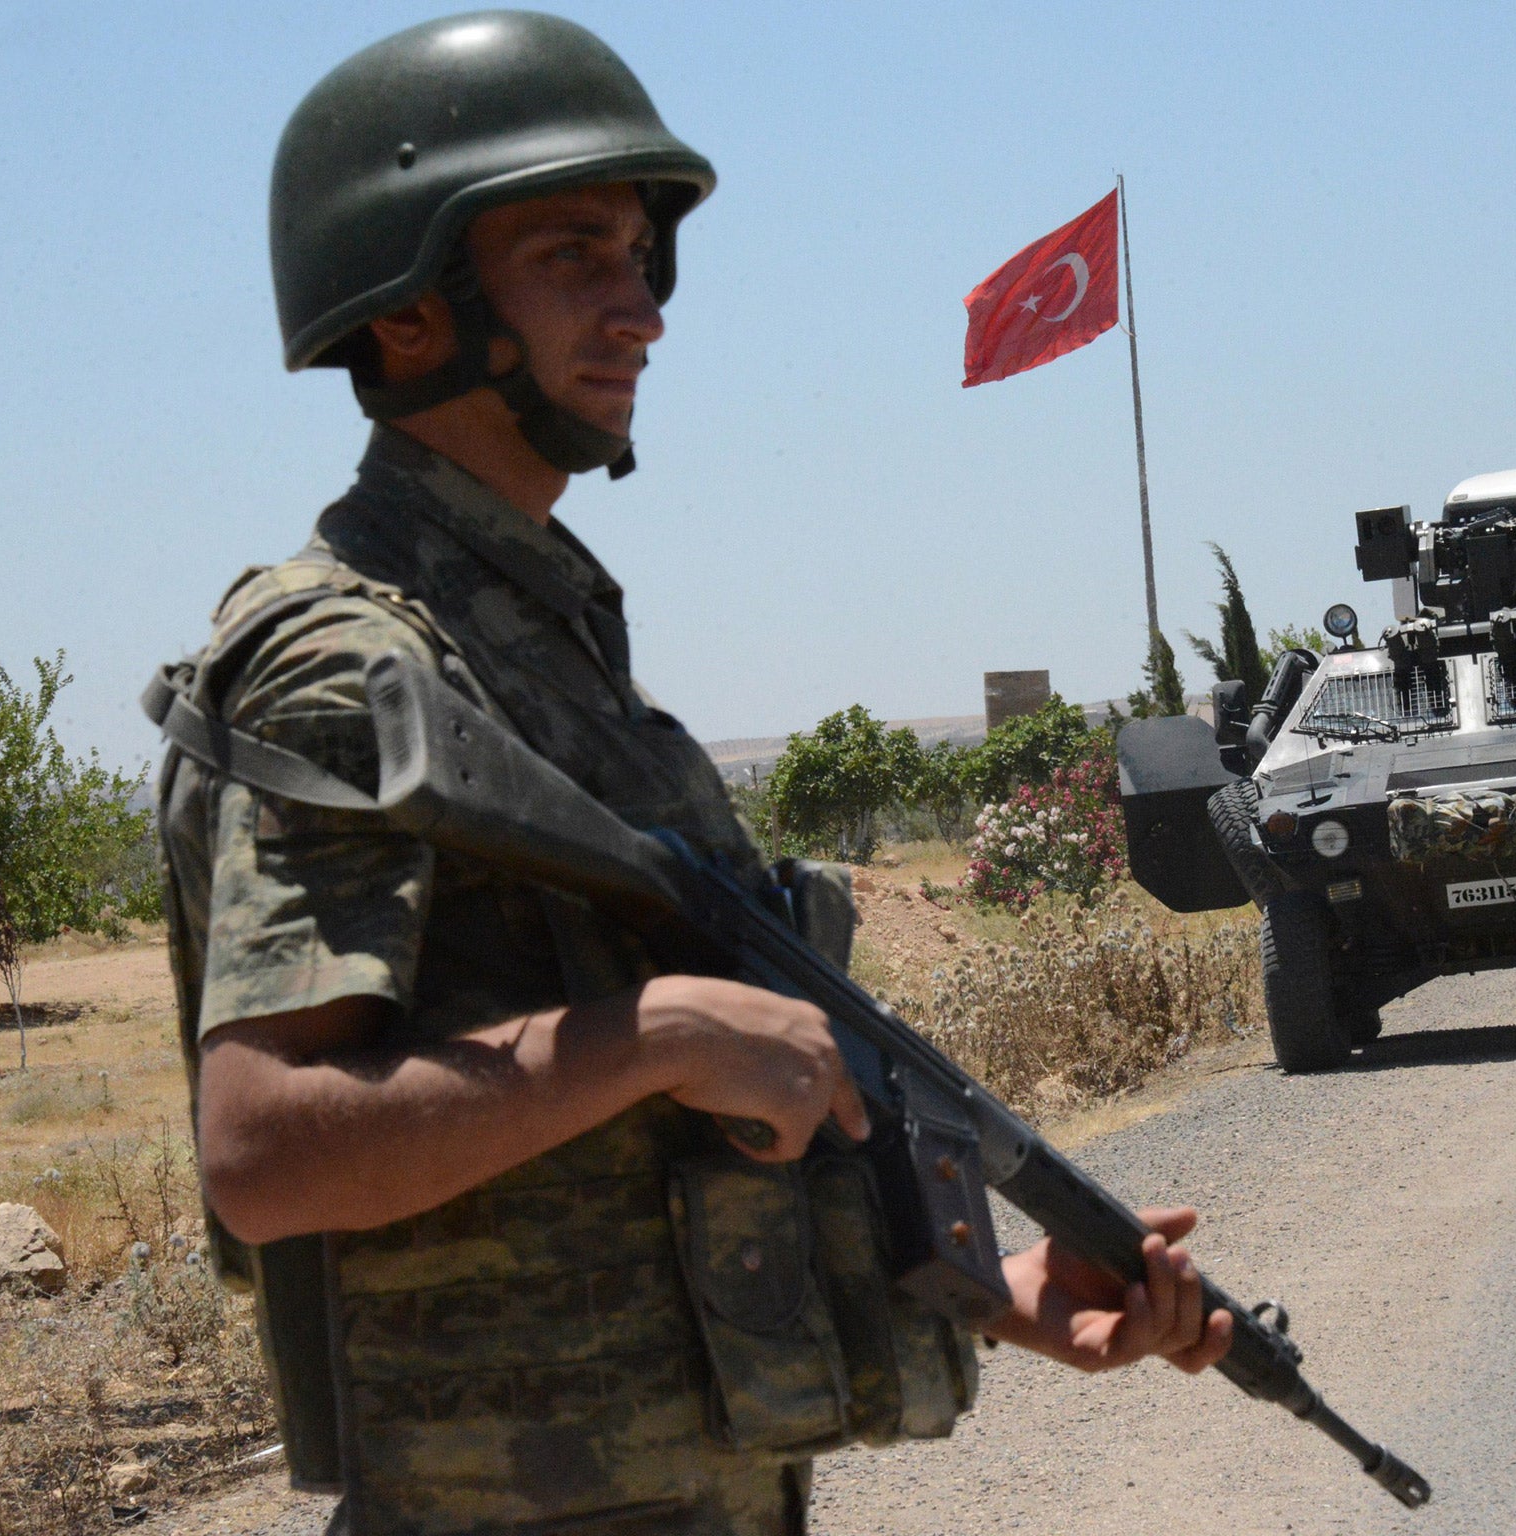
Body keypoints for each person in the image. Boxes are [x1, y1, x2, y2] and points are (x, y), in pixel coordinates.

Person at [151, 14, 1230, 1536]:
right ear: (409, 313)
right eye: (573, 258)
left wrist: (1015, 1291)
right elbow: (263, 1152)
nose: (638, 310)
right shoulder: (349, 669)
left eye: (643, 260)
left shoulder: (535, 640)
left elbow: (680, 1160)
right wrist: (652, 1033)